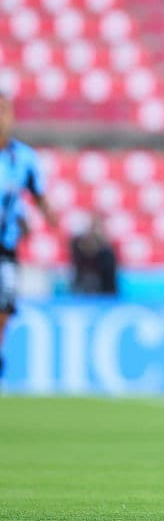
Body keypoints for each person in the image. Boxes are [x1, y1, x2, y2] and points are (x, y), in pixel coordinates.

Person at [0, 91, 58, 379]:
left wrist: (47, 215)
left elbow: (39, 196)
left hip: (5, 249)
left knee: (4, 309)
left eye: (4, 111)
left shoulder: (23, 158)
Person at [69, 213, 118, 295]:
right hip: (81, 291)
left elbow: (109, 276)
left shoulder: (107, 251)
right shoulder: (78, 246)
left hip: (104, 293)